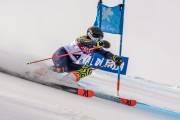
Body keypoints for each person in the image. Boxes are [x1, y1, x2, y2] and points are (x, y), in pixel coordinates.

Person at [51, 26, 123, 83]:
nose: (98, 41)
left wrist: (114, 58)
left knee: (87, 69)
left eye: (99, 39)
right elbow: (84, 42)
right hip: (62, 54)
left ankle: (67, 80)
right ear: (90, 35)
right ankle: (42, 70)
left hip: (69, 62)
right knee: (62, 69)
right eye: (96, 38)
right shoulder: (82, 38)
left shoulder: (95, 47)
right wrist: (98, 43)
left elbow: (105, 53)